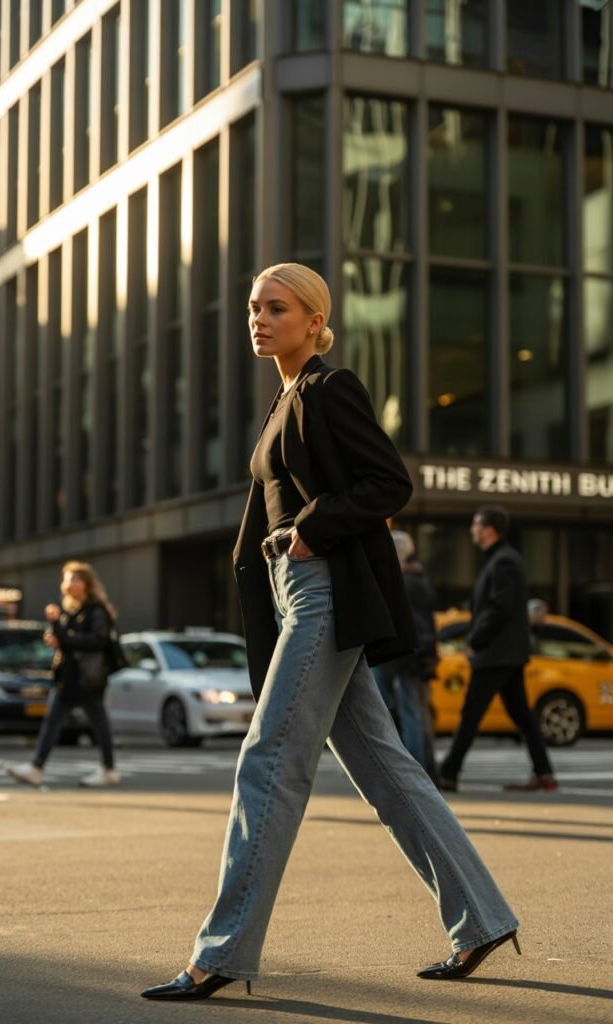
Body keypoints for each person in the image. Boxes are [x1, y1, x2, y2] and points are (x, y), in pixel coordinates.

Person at [141, 263, 520, 1002]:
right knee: (387, 769)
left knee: (268, 761)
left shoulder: (328, 388)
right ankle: (483, 919)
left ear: (315, 320)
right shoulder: (280, 402)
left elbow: (389, 482)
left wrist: (309, 532)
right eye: (253, 307)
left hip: (323, 594)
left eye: (275, 308)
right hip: (297, 595)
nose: (258, 318)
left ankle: (221, 952)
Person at [438, 506, 558, 794]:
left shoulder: (503, 562)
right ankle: (544, 774)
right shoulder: (502, 559)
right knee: (522, 716)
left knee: (471, 714)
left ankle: (448, 773)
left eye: (476, 525)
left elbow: (499, 608)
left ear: (489, 529)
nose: (472, 531)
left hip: (496, 654)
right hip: (505, 654)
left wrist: (474, 642)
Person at [6, 561, 121, 789]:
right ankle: (39, 767)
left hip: (85, 678)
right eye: (65, 579)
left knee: (91, 722)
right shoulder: (73, 610)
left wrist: (60, 631)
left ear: (85, 584)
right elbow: (65, 640)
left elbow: (96, 641)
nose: (67, 584)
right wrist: (55, 631)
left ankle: (105, 769)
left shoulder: (95, 610)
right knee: (67, 720)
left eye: (72, 579)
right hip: (71, 676)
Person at [374, 530, 439, 781]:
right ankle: (426, 769)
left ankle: (414, 772)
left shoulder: (399, 581)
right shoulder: (421, 581)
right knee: (419, 712)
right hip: (422, 654)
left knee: (403, 710)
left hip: (403, 653)